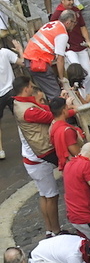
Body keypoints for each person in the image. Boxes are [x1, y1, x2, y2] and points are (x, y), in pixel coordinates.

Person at [12, 77, 64, 234]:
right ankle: (56, 231)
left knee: (45, 195)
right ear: (27, 89)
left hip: (31, 160)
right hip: (37, 161)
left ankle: (50, 230)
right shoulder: (29, 111)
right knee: (52, 196)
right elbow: (51, 116)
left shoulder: (19, 105)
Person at [22, 9, 78, 101]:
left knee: (50, 87)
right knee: (55, 93)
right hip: (38, 61)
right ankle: (59, 112)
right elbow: (60, 59)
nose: (74, 25)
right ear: (68, 22)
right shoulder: (62, 34)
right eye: (74, 23)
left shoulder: (54, 24)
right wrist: (62, 78)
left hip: (30, 56)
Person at [51, 0, 90, 98]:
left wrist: (88, 40)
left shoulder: (76, 11)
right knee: (78, 73)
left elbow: (82, 26)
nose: (71, 2)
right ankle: (82, 97)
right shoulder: (56, 14)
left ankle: (89, 96)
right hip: (69, 49)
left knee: (89, 74)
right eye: (68, 0)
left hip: (80, 46)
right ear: (62, 0)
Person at [0, 37, 24, 160]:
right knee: (20, 117)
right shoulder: (4, 52)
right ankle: (26, 142)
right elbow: (23, 62)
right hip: (11, 90)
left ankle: (0, 149)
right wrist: (20, 50)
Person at [49, 95, 83, 170]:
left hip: (66, 167)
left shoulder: (53, 125)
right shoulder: (67, 131)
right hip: (75, 168)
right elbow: (77, 153)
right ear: (64, 111)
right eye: (67, 108)